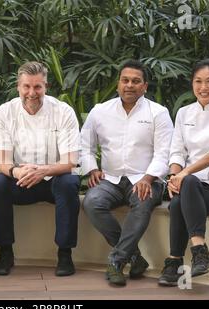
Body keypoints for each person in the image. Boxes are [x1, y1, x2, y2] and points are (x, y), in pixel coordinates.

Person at [81, 59, 174, 286]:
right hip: (109, 179)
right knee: (92, 202)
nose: (129, 85)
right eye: (125, 80)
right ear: (117, 84)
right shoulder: (99, 111)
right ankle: (135, 258)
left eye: (136, 81)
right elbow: (84, 145)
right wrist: (92, 167)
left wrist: (148, 178)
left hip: (145, 178)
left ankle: (116, 261)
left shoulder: (158, 113)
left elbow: (165, 153)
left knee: (142, 201)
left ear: (145, 86)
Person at [0, 61, 80, 277]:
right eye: (26, 86)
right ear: (18, 87)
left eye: (37, 87)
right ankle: (5, 252)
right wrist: (17, 172)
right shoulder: (4, 112)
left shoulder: (63, 111)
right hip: (19, 180)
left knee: (69, 183)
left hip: (54, 180)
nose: (32, 92)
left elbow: (71, 162)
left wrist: (43, 171)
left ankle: (65, 254)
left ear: (46, 86)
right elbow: (2, 163)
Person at [158, 59, 209, 286]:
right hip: (189, 185)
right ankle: (177, 262)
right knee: (176, 202)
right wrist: (175, 177)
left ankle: (196, 251)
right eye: (198, 81)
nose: (204, 87)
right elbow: (176, 151)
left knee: (191, 182)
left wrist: (184, 175)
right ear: (192, 84)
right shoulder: (184, 113)